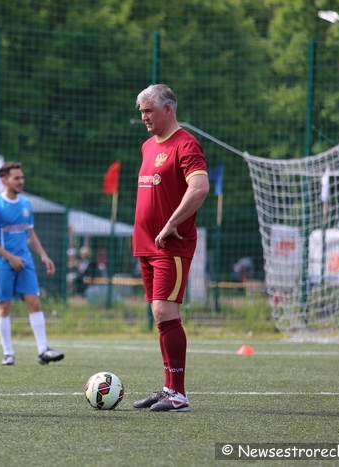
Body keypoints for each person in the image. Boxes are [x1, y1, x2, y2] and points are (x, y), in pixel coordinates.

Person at [131, 84, 209, 412]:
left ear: (168, 109)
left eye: (149, 111)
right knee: (159, 314)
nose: (144, 117)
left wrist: (171, 223)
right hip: (146, 244)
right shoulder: (148, 146)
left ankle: (178, 393)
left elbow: (200, 188)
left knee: (165, 311)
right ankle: (168, 389)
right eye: (141, 112)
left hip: (171, 244)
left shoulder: (186, 144)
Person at [0, 161, 65, 366]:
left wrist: (44, 255)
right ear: (4, 180)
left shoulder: (26, 204)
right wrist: (10, 258)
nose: (21, 181)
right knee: (4, 306)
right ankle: (8, 353)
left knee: (34, 302)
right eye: (16, 178)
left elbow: (30, 234)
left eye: (22, 177)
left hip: (25, 262)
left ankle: (43, 350)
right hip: (3, 264)